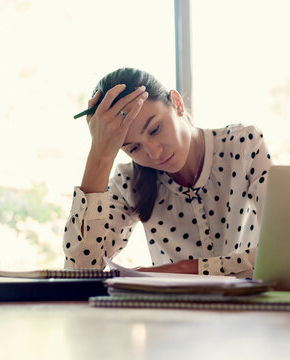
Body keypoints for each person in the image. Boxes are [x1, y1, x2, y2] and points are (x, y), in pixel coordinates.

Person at [63, 68, 273, 277]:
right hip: (172, 309)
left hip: (250, 307)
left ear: (177, 103)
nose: (154, 153)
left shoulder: (244, 145)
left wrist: (178, 270)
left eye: (155, 129)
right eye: (133, 148)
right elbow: (80, 271)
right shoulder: (127, 182)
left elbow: (281, 254)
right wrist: (100, 155)